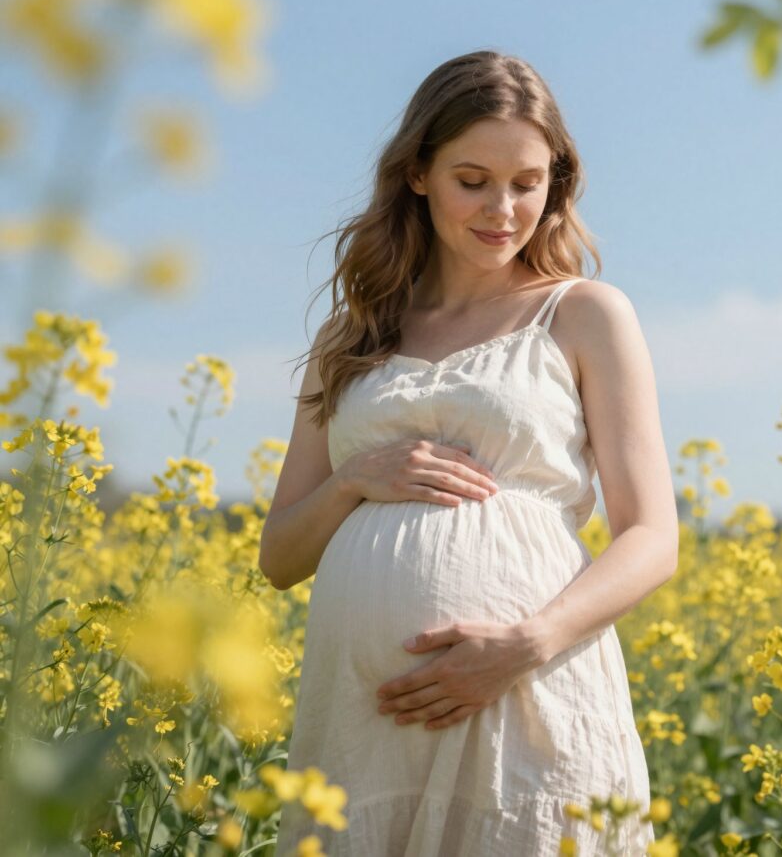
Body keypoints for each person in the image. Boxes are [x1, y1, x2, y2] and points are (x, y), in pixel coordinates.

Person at [260, 50, 679, 856]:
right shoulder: (350, 340)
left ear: (557, 180)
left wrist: (525, 646)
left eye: (529, 182)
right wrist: (355, 479)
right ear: (418, 174)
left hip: (527, 697)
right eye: (473, 179)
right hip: (364, 725)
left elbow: (653, 537)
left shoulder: (585, 313)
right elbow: (279, 557)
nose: (504, 209)